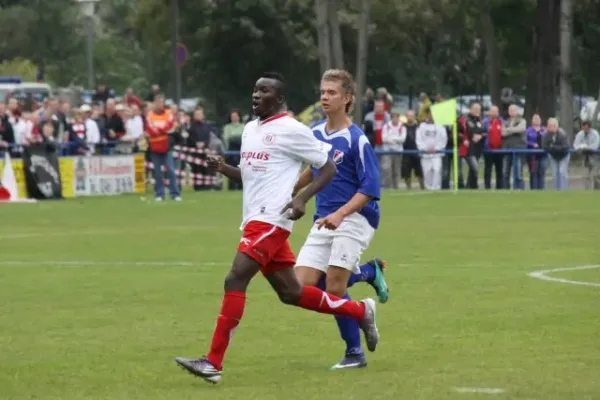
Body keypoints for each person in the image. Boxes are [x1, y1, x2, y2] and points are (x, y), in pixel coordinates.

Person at [174, 72, 379, 384]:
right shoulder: (249, 130)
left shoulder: (293, 130)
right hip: (254, 220)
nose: (256, 95)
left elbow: (328, 167)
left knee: (235, 277)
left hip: (272, 221)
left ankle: (213, 362)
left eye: (264, 91)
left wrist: (301, 199)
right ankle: (359, 311)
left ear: (279, 99)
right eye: (255, 89)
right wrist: (223, 168)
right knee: (292, 292)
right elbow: (250, 175)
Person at [291, 69, 387, 370]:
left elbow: (370, 190)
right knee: (299, 287)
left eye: (331, 92)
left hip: (357, 217)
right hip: (324, 218)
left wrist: (341, 213)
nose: (324, 96)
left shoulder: (357, 140)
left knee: (333, 289)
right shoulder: (316, 133)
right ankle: (367, 281)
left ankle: (354, 354)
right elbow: (315, 168)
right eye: (322, 91)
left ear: (347, 99)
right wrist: (290, 190)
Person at [145, 94, 181, 201]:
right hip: (155, 147)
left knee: (170, 170)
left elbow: (171, 126)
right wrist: (163, 131)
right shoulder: (150, 114)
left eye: (161, 102)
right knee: (157, 172)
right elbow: (150, 128)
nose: (159, 104)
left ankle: (175, 193)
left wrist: (160, 130)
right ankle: (159, 194)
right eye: (157, 102)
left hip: (166, 146)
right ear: (154, 103)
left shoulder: (168, 113)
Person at [416, 108, 447, 190]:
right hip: (425, 154)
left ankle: (436, 188)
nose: (431, 116)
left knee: (436, 170)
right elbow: (418, 139)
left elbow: (443, 139)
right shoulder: (422, 126)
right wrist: (424, 148)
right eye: (430, 114)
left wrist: (437, 148)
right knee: (427, 172)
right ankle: (428, 188)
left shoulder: (440, 126)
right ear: (427, 114)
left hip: (436, 154)